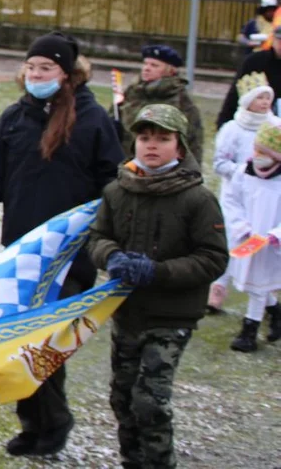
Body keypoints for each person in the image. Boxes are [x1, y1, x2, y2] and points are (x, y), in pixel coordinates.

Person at [0, 31, 124, 457]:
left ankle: (52, 425)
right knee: (19, 342)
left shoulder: (93, 121)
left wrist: (110, 240)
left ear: (67, 73)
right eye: (32, 66)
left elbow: (112, 185)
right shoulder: (14, 119)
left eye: (46, 68)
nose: (36, 74)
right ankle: (34, 423)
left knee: (44, 343)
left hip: (69, 255)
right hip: (20, 256)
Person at [87, 104, 228, 469]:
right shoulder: (117, 191)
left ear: (180, 148)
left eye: (163, 139)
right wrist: (111, 256)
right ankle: (132, 461)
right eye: (144, 138)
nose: (152, 145)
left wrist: (158, 272)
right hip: (127, 312)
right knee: (122, 398)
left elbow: (213, 258)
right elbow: (97, 236)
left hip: (171, 315)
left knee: (150, 401)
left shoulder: (198, 199)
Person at [209, 72, 274, 313]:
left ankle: (266, 298)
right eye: (260, 98)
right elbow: (220, 163)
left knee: (259, 244)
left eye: (268, 98)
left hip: (263, 197)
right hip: (235, 196)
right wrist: (244, 171)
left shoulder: (273, 127)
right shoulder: (233, 129)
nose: (265, 102)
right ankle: (218, 286)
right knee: (231, 241)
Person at [219, 117, 281, 352]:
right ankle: (275, 311)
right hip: (247, 237)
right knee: (254, 283)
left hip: (271, 244)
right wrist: (240, 226)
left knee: (259, 285)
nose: (257, 154)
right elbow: (231, 200)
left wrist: (275, 235)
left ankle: (249, 329)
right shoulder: (243, 173)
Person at [112, 45, 204, 163]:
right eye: (145, 64)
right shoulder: (131, 92)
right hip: (126, 166)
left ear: (170, 70)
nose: (147, 68)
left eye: (154, 65)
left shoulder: (181, 100)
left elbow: (193, 144)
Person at [217, 23, 281, 128]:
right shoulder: (256, 61)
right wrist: (223, 123)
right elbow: (235, 94)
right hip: (254, 122)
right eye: (280, 41)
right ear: (273, 40)